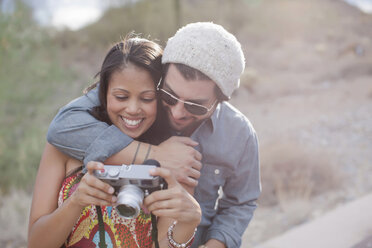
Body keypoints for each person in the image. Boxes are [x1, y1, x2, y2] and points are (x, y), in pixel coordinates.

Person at [47, 22, 261, 248]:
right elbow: (63, 126)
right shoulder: (141, 97)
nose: (178, 113)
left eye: (195, 106)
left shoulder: (240, 135)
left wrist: (217, 244)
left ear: (220, 100)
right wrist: (155, 154)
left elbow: (241, 202)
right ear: (162, 75)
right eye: (168, 95)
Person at [28, 36, 201, 248]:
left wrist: (190, 221)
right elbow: (36, 243)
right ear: (104, 93)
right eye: (121, 97)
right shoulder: (65, 146)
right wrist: (76, 201)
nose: (133, 109)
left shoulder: (174, 159)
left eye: (147, 98)